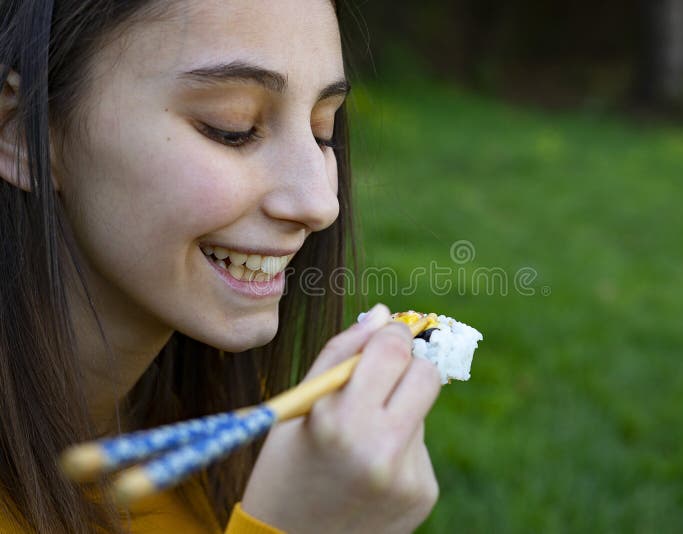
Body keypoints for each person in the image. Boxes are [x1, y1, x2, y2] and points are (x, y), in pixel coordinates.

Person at [0, 1, 442, 532]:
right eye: (231, 127)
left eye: (322, 130)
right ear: (22, 132)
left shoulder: (236, 438)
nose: (320, 203)